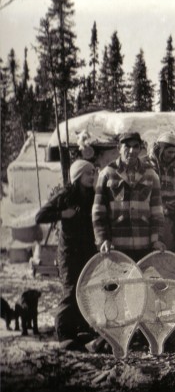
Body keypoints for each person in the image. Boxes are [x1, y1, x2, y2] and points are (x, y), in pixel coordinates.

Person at [35, 160, 98, 351]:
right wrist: (64, 213)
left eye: (93, 173)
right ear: (78, 176)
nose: (92, 176)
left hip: (88, 250)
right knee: (71, 292)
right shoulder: (65, 195)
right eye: (88, 173)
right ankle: (63, 334)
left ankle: (81, 329)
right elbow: (40, 216)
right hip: (69, 252)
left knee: (87, 290)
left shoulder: (93, 195)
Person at [92, 131, 166, 262]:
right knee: (116, 283)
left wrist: (156, 240)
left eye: (136, 146)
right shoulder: (107, 174)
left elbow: (157, 211)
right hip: (116, 247)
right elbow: (98, 211)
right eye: (127, 146)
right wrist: (103, 239)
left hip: (144, 246)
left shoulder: (151, 174)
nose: (131, 151)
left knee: (142, 282)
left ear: (140, 149)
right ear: (119, 148)